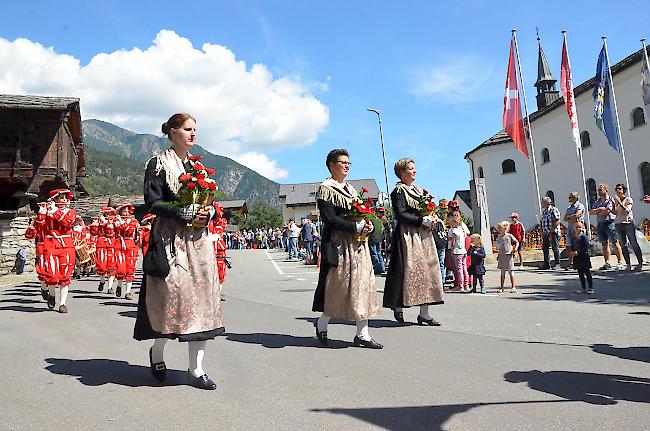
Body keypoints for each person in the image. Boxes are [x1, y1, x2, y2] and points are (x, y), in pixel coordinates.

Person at [134, 113, 224, 390]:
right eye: (187, 129)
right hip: (171, 241)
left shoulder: (197, 168)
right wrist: (181, 211)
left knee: (202, 303)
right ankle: (157, 352)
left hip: (198, 243)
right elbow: (152, 203)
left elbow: (208, 203)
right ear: (173, 132)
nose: (193, 134)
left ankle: (196, 370)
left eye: (195, 129)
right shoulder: (158, 164)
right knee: (170, 300)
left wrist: (206, 212)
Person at [312, 149, 382, 349]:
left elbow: (359, 214)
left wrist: (366, 224)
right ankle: (322, 322)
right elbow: (329, 218)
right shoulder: (326, 188)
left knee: (364, 284)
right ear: (331, 165)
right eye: (342, 162)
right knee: (339, 287)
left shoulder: (351, 190)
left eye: (348, 163)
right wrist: (353, 226)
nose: (347, 166)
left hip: (358, 243)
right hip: (338, 244)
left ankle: (363, 333)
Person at [383, 158, 444, 325]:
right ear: (402, 173)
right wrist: (420, 220)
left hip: (424, 236)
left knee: (428, 272)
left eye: (414, 168)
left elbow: (426, 210)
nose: (414, 171)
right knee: (406, 272)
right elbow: (401, 214)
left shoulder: (417, 190)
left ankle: (424, 313)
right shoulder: (399, 191)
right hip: (407, 236)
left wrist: (432, 217)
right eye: (410, 169)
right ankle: (398, 306)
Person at [34, 189, 78, 313]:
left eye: (66, 198)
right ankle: (52, 294)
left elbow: (66, 223)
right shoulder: (48, 212)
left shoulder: (71, 212)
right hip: (50, 245)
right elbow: (37, 228)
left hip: (66, 246)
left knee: (65, 275)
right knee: (52, 274)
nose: (65, 200)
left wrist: (54, 211)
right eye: (61, 197)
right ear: (55, 200)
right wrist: (42, 213)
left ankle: (62, 303)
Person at [589, 184, 625, 271]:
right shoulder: (597, 202)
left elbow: (606, 211)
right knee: (604, 244)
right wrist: (599, 210)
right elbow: (591, 212)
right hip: (600, 224)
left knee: (615, 242)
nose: (599, 191)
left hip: (610, 223)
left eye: (601, 190)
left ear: (606, 190)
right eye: (598, 190)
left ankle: (620, 261)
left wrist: (599, 211)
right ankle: (607, 262)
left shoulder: (610, 200)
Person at [612, 184, 644, 271]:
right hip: (618, 223)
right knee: (623, 245)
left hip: (628, 223)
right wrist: (613, 204)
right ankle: (628, 264)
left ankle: (640, 262)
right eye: (616, 189)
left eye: (619, 189)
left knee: (633, 243)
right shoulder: (616, 201)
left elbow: (627, 210)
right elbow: (615, 213)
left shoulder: (628, 199)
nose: (617, 190)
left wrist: (619, 202)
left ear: (623, 190)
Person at [114, 202, 140, 300]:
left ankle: (128, 292)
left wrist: (121, 222)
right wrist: (119, 221)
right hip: (119, 245)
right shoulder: (115, 221)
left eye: (127, 211)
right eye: (123, 211)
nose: (126, 213)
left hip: (130, 245)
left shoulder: (134, 221)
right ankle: (119, 285)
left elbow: (128, 230)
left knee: (130, 268)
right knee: (121, 269)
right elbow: (117, 229)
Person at [92, 207, 118, 293]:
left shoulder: (115, 222)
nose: (108, 215)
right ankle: (102, 281)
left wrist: (106, 223)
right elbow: (94, 233)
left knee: (112, 265)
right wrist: (95, 225)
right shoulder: (100, 221)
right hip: (101, 244)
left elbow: (111, 233)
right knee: (101, 265)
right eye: (106, 213)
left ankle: (110, 287)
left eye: (110, 213)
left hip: (112, 244)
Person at [24, 217, 49, 300]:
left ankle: (51, 290)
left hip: (56, 247)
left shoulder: (56, 217)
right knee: (42, 270)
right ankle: (44, 288)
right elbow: (29, 236)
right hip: (42, 247)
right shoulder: (38, 220)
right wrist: (32, 226)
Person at [563, 192, 586, 271]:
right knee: (569, 246)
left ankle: (580, 262)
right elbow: (565, 218)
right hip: (570, 229)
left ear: (575, 198)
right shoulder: (569, 207)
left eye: (571, 197)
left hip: (578, 228)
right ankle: (571, 263)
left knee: (578, 246)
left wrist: (571, 217)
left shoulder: (580, 206)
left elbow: (577, 215)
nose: (569, 199)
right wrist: (571, 217)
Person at [448, 213, 470, 292]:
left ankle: (461, 286)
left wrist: (451, 250)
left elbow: (453, 242)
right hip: (463, 251)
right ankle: (466, 285)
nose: (452, 223)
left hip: (457, 251)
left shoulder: (454, 230)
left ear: (456, 223)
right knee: (464, 269)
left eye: (453, 222)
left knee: (459, 269)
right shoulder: (462, 230)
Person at [495, 221, 519, 293]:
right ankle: (502, 287)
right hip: (502, 256)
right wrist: (498, 255)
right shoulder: (499, 237)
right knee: (502, 272)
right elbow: (499, 247)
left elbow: (516, 242)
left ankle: (513, 287)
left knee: (511, 272)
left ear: (504, 228)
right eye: (498, 227)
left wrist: (515, 248)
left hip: (508, 256)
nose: (498, 229)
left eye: (500, 227)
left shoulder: (509, 236)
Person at [571, 221, 593, 294]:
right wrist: (572, 252)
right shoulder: (574, 237)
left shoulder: (584, 237)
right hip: (577, 258)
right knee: (580, 273)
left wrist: (578, 252)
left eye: (579, 227)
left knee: (587, 272)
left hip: (584, 257)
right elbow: (572, 246)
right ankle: (583, 288)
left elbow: (586, 247)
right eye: (576, 227)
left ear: (583, 227)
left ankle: (590, 288)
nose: (578, 229)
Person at [540, 197, 561, 270]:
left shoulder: (553, 210)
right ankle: (546, 264)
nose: (541, 204)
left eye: (542, 202)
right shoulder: (544, 211)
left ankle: (558, 263)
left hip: (553, 232)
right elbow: (542, 221)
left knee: (555, 248)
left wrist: (552, 229)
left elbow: (557, 220)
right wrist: (542, 231)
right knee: (545, 248)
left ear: (547, 203)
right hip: (545, 232)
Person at [431, 212, 447, 284]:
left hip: (436, 245)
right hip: (443, 244)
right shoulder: (441, 222)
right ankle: (442, 281)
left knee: (435, 264)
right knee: (441, 264)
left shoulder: (433, 223)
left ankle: (436, 281)